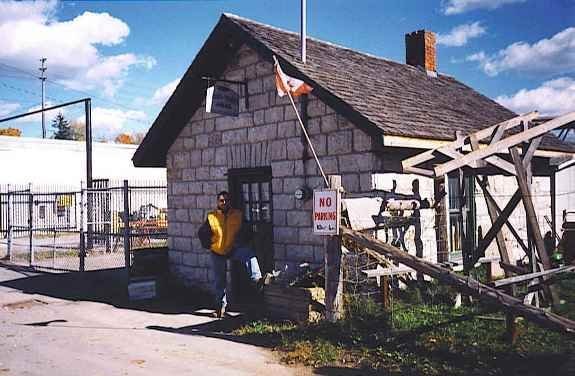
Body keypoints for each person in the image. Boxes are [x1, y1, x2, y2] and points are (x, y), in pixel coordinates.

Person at [200, 191, 268, 318]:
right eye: (221, 200)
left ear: (229, 201)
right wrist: (209, 244)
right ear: (217, 202)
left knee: (248, 254)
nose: (224, 202)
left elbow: (247, 229)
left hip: (232, 248)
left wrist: (242, 240)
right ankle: (220, 308)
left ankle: (257, 278)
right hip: (217, 251)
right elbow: (202, 233)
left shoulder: (237, 215)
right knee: (219, 281)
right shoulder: (211, 216)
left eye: (226, 200)